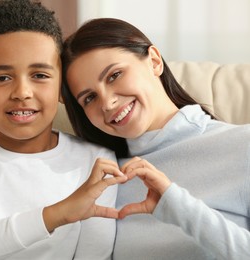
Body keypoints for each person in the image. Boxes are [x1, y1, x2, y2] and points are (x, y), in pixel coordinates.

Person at [0, 1, 128, 259]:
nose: (22, 93)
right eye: (2, 78)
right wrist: (59, 213)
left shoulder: (96, 162)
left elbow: (95, 253)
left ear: (61, 89)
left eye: (40, 75)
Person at [61, 18, 250, 259]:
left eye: (114, 75)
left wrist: (179, 207)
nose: (107, 103)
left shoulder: (243, 145)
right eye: (89, 98)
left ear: (154, 61)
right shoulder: (100, 180)